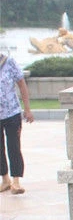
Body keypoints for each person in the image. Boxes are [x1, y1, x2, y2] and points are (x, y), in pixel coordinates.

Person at [0, 53, 34, 195]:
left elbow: (21, 84)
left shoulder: (9, 62)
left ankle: (16, 181)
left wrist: (27, 109)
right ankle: (5, 179)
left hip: (12, 113)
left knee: (14, 146)